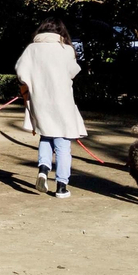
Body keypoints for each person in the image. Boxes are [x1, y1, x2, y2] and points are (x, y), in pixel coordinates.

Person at [16, 16, 86, 198]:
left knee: (46, 136)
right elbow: (73, 72)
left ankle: (43, 171)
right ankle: (61, 187)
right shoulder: (66, 49)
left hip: (41, 101)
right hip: (62, 101)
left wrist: (32, 82)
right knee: (62, 144)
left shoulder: (32, 49)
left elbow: (21, 72)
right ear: (60, 32)